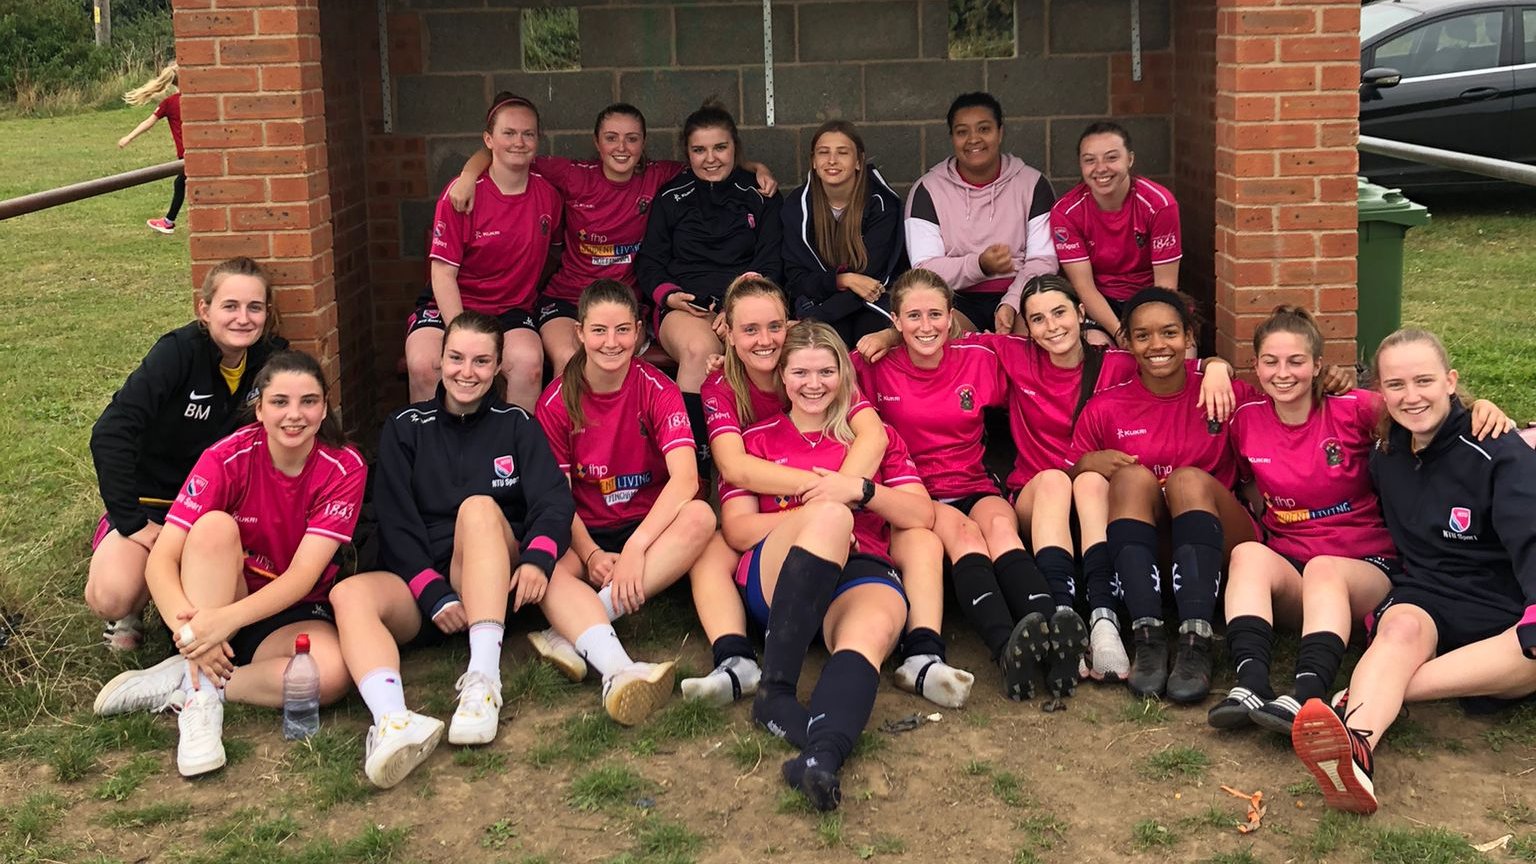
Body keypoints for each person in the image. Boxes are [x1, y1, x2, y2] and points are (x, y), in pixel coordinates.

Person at [857, 274, 1236, 686]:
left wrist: (1216, 366)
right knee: (1057, 480)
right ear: (1027, 328)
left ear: (1081, 313)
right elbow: (923, 337)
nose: (1051, 326)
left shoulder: (1116, 363)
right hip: (1040, 498)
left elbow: (1169, 362)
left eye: (1059, 313)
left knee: (1090, 481)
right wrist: (886, 335)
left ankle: (1102, 621)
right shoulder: (1011, 354)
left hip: (1096, 502)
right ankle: (1060, 613)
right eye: (1037, 319)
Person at [1211, 308, 1513, 732]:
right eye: (1270, 361)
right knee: (1247, 555)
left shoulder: (1354, 408)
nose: (1283, 373)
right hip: (1297, 571)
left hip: (1367, 572)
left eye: (1296, 361)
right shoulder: (1246, 420)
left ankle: (1306, 694)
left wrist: (1479, 406)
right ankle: (1249, 685)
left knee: (1324, 568)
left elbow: (1421, 410)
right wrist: (1215, 366)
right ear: (1256, 366)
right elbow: (1244, 481)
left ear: (1318, 365)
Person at [681, 275, 970, 709]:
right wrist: (819, 498)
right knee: (712, 545)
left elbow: (874, 439)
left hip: (837, 494)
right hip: (770, 493)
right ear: (728, 333)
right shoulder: (724, 385)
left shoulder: (815, 365)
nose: (765, 340)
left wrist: (848, 493)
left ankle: (923, 653)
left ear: (790, 325)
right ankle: (735, 658)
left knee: (921, 536)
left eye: (774, 327)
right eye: (750, 330)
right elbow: (734, 465)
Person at [1290, 329, 1536, 815]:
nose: (1411, 396)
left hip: (1501, 608)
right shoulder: (1387, 452)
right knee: (1399, 625)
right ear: (1380, 391)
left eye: (1424, 380)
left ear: (1451, 381)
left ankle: (1357, 699)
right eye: (1396, 384)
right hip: (1426, 594)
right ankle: (1355, 749)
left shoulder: (1499, 451)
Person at [92, 351, 366, 778]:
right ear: (258, 408)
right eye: (279, 402)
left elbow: (301, 577)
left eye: (308, 401)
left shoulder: (344, 465)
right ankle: (200, 708)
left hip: (283, 610)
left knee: (329, 676)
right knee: (213, 527)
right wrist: (192, 632)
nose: (294, 415)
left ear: (324, 407)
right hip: (216, 594)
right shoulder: (225, 456)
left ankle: (192, 682)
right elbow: (162, 558)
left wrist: (220, 625)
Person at [329, 312, 574, 788]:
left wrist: (539, 558)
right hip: (426, 592)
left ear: (500, 366)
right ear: (438, 360)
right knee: (349, 596)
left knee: (478, 509)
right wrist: (430, 591)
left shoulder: (517, 424)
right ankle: (395, 721)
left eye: (482, 361)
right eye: (456, 358)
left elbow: (553, 501)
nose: (467, 371)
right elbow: (396, 521)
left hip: (488, 580)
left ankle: (483, 680)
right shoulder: (404, 426)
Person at [722, 321, 935, 811]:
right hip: (781, 576)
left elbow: (921, 515)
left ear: (845, 375)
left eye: (826, 371)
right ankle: (775, 692)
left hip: (859, 569)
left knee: (875, 628)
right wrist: (821, 518)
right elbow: (737, 529)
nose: (813, 384)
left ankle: (820, 759)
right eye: (800, 372)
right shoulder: (756, 439)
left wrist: (860, 491)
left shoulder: (874, 438)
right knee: (830, 517)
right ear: (782, 376)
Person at [854, 269, 1082, 701]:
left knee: (1000, 526)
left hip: (973, 480)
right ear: (896, 320)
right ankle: (1006, 648)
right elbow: (814, 371)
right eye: (913, 316)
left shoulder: (978, 356)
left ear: (952, 316)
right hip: (915, 489)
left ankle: (1054, 637)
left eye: (936, 314)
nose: (926, 326)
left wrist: (1212, 364)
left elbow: (1046, 351)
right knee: (964, 535)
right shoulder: (874, 364)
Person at [448, 103, 777, 375]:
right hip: (568, 298)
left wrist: (754, 166)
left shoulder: (660, 176)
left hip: (623, 303)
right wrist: (467, 174)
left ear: (644, 143)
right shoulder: (573, 174)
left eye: (632, 139)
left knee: (616, 359)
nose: (622, 148)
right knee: (569, 360)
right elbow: (512, 152)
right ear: (596, 142)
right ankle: (570, 447)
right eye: (611, 138)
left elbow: (713, 161)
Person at [529, 279, 716, 723]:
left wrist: (636, 548)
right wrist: (591, 553)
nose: (611, 343)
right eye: (598, 331)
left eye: (622, 331)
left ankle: (571, 630)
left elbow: (686, 478)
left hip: (648, 524)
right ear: (579, 333)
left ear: (638, 332)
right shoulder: (555, 402)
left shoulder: (657, 386)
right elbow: (557, 497)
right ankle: (617, 669)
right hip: (585, 528)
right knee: (546, 570)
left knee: (701, 517)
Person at [1066, 288, 1257, 704]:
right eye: (1143, 336)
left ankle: (1195, 641)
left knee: (1188, 480)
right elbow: (1072, 474)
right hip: (1152, 553)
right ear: (1127, 343)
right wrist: (1088, 463)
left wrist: (1330, 381)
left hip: (1219, 547)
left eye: (1169, 332)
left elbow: (1288, 409)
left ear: (1189, 336)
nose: (1157, 345)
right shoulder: (1106, 408)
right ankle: (1148, 636)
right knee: (1132, 479)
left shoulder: (1224, 393)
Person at [88, 257, 287, 651]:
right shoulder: (177, 353)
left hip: (214, 511)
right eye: (230, 306)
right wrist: (133, 522)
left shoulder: (270, 360)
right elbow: (110, 433)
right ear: (205, 309)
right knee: (112, 594)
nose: (243, 318)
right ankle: (131, 598)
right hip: (154, 505)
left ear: (267, 312)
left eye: (255, 307)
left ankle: (186, 625)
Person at [635, 99, 783, 481]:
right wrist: (668, 296)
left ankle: (763, 457)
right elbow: (649, 262)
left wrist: (736, 312)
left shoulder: (760, 192)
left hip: (745, 305)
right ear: (687, 153)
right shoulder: (671, 196)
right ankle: (693, 471)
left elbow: (771, 262)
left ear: (735, 147)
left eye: (720, 148)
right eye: (699, 150)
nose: (711, 158)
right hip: (687, 308)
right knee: (700, 350)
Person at [405, 92, 562, 408]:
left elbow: (553, 258)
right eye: (508, 133)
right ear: (489, 140)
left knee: (529, 365)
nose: (519, 142)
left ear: (538, 140)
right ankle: (431, 454)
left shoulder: (548, 195)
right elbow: (443, 274)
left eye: (528, 134)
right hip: (454, 306)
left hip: (512, 309)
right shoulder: (463, 194)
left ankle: (514, 453)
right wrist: (461, 334)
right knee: (425, 363)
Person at [904, 92, 1057, 336]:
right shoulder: (927, 190)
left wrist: (1011, 301)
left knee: (1036, 338)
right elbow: (925, 270)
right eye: (962, 131)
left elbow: (1044, 261)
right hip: (956, 298)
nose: (973, 139)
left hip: (1021, 293)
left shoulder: (1033, 183)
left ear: (1000, 132)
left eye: (984, 129)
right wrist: (980, 265)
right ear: (952, 137)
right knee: (935, 334)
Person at [1051, 121, 1181, 343]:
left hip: (1149, 298)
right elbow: (1085, 288)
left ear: (1130, 159)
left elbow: (1166, 286)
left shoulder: (1159, 204)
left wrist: (1148, 332)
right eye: (1090, 160)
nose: (1101, 168)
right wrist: (1121, 334)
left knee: (1180, 352)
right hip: (1100, 304)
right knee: (1097, 350)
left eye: (1112, 158)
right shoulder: (1066, 212)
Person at [780, 120, 906, 346]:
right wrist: (842, 280)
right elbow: (796, 280)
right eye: (823, 152)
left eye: (842, 152)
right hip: (820, 300)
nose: (831, 160)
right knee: (823, 343)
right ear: (814, 162)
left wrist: (814, 318)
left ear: (858, 161)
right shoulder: (796, 207)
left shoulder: (882, 204)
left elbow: (872, 283)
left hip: (872, 302)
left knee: (869, 337)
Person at [119, 63, 184, 235]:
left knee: (181, 184)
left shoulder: (169, 103)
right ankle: (169, 221)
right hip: (196, 152)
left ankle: (168, 222)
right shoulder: (196, 99)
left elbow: (148, 123)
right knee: (182, 184)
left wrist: (129, 137)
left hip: (186, 155)